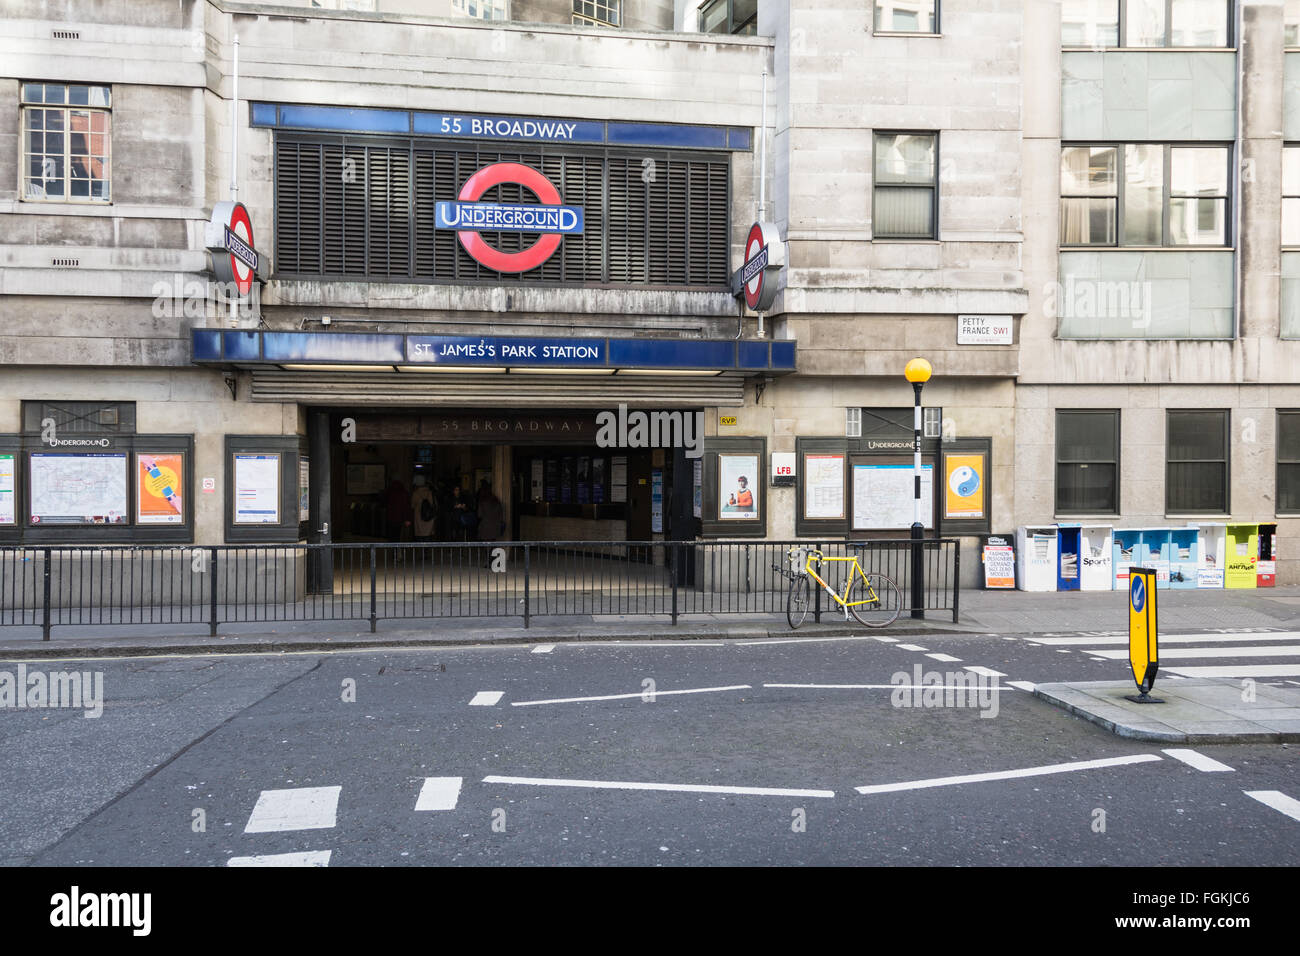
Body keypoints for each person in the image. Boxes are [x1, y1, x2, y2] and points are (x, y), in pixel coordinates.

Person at [410, 474, 435, 542]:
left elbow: (412, 505)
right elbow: (433, 504)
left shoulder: (415, 493)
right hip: (429, 517)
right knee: (427, 533)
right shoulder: (430, 492)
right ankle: (426, 550)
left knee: (420, 534)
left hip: (419, 517)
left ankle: (421, 549)